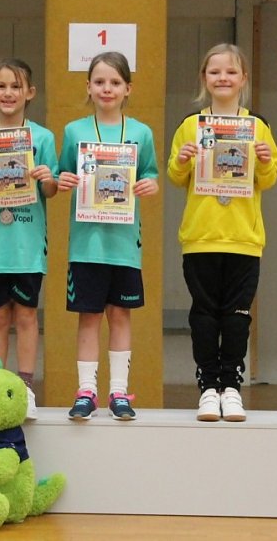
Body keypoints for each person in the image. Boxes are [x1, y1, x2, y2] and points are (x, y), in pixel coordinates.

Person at [167, 43, 277, 422]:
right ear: (204, 78)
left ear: (243, 78)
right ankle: (207, 387)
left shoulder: (258, 126)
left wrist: (264, 160)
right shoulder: (190, 125)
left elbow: (269, 177)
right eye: (215, 72)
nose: (223, 78)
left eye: (231, 72)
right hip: (200, 238)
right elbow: (174, 175)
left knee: (236, 316)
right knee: (203, 315)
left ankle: (231, 385)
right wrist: (183, 160)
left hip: (244, 239)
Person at [57, 52, 159, 421]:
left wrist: (150, 185)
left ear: (127, 88)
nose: (107, 88)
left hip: (123, 245)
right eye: (99, 81)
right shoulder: (74, 131)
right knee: (88, 316)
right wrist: (62, 180)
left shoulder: (141, 133)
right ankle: (86, 390)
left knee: (120, 315)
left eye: (115, 82)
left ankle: (119, 391)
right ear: (88, 87)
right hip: (86, 244)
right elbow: (60, 174)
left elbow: (151, 173)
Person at [0, 58, 59, 420]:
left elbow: (51, 190)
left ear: (29, 93)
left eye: (15, 86)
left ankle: (26, 386)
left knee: (28, 316)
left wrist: (47, 176)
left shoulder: (43, 137)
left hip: (27, 245)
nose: (8, 93)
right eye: (1, 86)